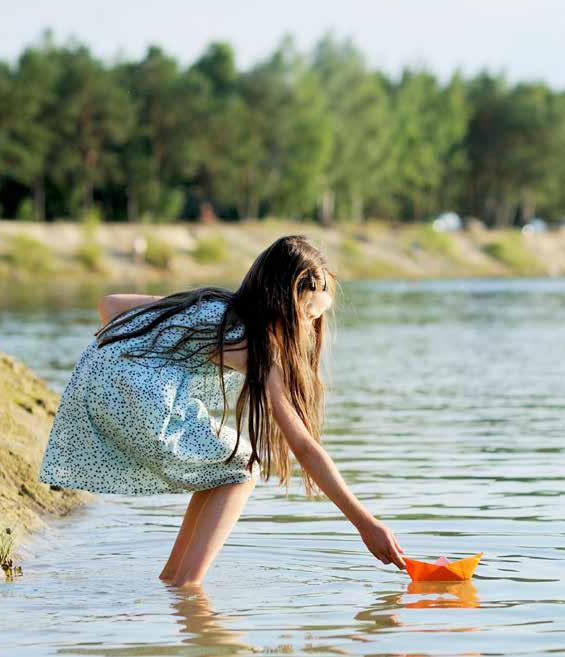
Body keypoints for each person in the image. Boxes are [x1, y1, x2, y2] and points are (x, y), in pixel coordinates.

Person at [38, 234, 407, 587]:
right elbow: (304, 447)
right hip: (145, 404)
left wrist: (145, 359)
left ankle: (173, 581)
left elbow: (110, 305)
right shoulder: (261, 348)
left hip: (94, 384)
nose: (312, 327)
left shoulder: (208, 305)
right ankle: (188, 588)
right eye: (309, 315)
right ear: (285, 303)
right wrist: (365, 523)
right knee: (244, 468)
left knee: (221, 468)